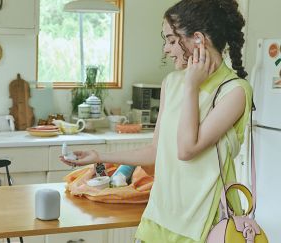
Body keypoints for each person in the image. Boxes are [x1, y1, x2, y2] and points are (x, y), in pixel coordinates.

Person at [60, 0, 252, 242]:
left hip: (205, 224)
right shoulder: (171, 83)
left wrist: (191, 86)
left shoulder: (234, 91)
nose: (166, 49)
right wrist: (99, 156)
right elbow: (155, 152)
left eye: (172, 40)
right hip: (160, 216)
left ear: (198, 40)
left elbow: (186, 149)